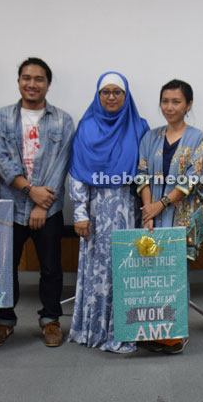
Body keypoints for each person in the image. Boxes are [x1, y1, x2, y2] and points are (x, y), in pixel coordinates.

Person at [0, 57, 74, 348]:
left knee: (51, 267)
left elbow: (61, 166)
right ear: (19, 81)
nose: (32, 84)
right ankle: (4, 321)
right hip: (9, 204)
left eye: (38, 79)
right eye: (26, 78)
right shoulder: (1, 117)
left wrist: (41, 204)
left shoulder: (63, 119)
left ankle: (50, 320)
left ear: (47, 84)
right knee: (5, 266)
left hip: (48, 207)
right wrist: (29, 191)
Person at [67, 71, 149, 353]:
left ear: (126, 97)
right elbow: (78, 172)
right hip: (96, 212)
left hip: (129, 210)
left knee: (127, 267)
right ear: (98, 95)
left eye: (117, 92)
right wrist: (80, 213)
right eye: (106, 92)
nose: (111, 97)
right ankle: (95, 329)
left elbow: (146, 171)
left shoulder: (139, 127)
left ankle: (125, 329)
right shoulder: (87, 127)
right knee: (98, 269)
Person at [136, 79, 203, 354]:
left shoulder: (198, 138)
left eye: (176, 101)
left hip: (183, 216)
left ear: (188, 105)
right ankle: (151, 330)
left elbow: (192, 180)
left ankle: (175, 334)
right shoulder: (150, 136)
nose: (169, 107)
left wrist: (162, 204)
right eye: (165, 101)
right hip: (152, 216)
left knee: (175, 274)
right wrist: (149, 212)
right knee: (150, 274)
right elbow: (142, 173)